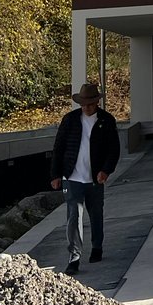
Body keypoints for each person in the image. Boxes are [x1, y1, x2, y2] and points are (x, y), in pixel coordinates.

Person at [50, 82, 120, 275]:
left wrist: (106, 170)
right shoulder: (70, 120)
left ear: (97, 102)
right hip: (72, 177)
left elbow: (114, 150)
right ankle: (74, 257)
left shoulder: (106, 121)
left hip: (95, 178)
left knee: (96, 213)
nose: (87, 107)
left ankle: (97, 246)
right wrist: (55, 175)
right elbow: (58, 148)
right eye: (84, 104)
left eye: (90, 103)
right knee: (74, 216)